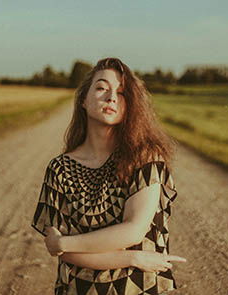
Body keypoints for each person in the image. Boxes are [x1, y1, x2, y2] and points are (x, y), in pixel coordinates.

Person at [31, 57, 186, 294]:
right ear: (83, 99)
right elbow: (67, 254)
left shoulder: (145, 158)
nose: (112, 97)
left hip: (136, 289)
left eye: (122, 93)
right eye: (101, 88)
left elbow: (133, 230)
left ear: (131, 105)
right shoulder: (59, 169)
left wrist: (64, 243)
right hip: (79, 288)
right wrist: (134, 258)